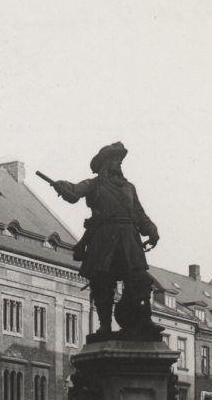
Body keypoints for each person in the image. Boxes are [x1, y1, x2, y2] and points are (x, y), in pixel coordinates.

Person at [49, 142, 161, 340]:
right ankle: (105, 325)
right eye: (114, 159)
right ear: (104, 163)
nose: (118, 163)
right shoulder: (94, 184)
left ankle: (144, 319)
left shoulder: (129, 187)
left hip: (129, 238)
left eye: (120, 159)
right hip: (104, 239)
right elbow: (74, 192)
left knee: (140, 280)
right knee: (103, 282)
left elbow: (138, 213)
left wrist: (151, 229)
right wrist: (62, 186)